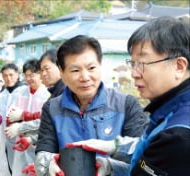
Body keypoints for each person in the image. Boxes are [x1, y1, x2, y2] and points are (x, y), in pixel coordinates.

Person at [67, 16, 190, 175]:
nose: (133, 74)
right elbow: (146, 154)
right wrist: (112, 163)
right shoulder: (167, 111)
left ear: (179, 66)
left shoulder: (178, 136)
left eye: (142, 64)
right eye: (132, 63)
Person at [34, 35, 148, 176]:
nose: (85, 77)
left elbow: (143, 158)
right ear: (62, 73)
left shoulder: (126, 104)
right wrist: (47, 164)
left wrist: (111, 167)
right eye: (75, 70)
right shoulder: (52, 108)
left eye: (91, 68)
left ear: (100, 66)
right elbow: (44, 149)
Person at [4, 59, 51, 175]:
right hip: (21, 141)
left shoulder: (47, 94)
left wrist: (23, 116)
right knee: (20, 170)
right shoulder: (21, 92)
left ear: (40, 74)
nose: (29, 79)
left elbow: (45, 119)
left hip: (38, 142)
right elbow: (10, 114)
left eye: (32, 75)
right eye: (26, 76)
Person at [0, 63, 25, 176]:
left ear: (17, 75)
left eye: (11, 75)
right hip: (8, 138)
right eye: (5, 75)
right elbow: (0, 113)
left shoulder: (24, 92)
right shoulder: (3, 94)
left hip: (23, 137)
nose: (8, 78)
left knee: (22, 167)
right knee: (9, 165)